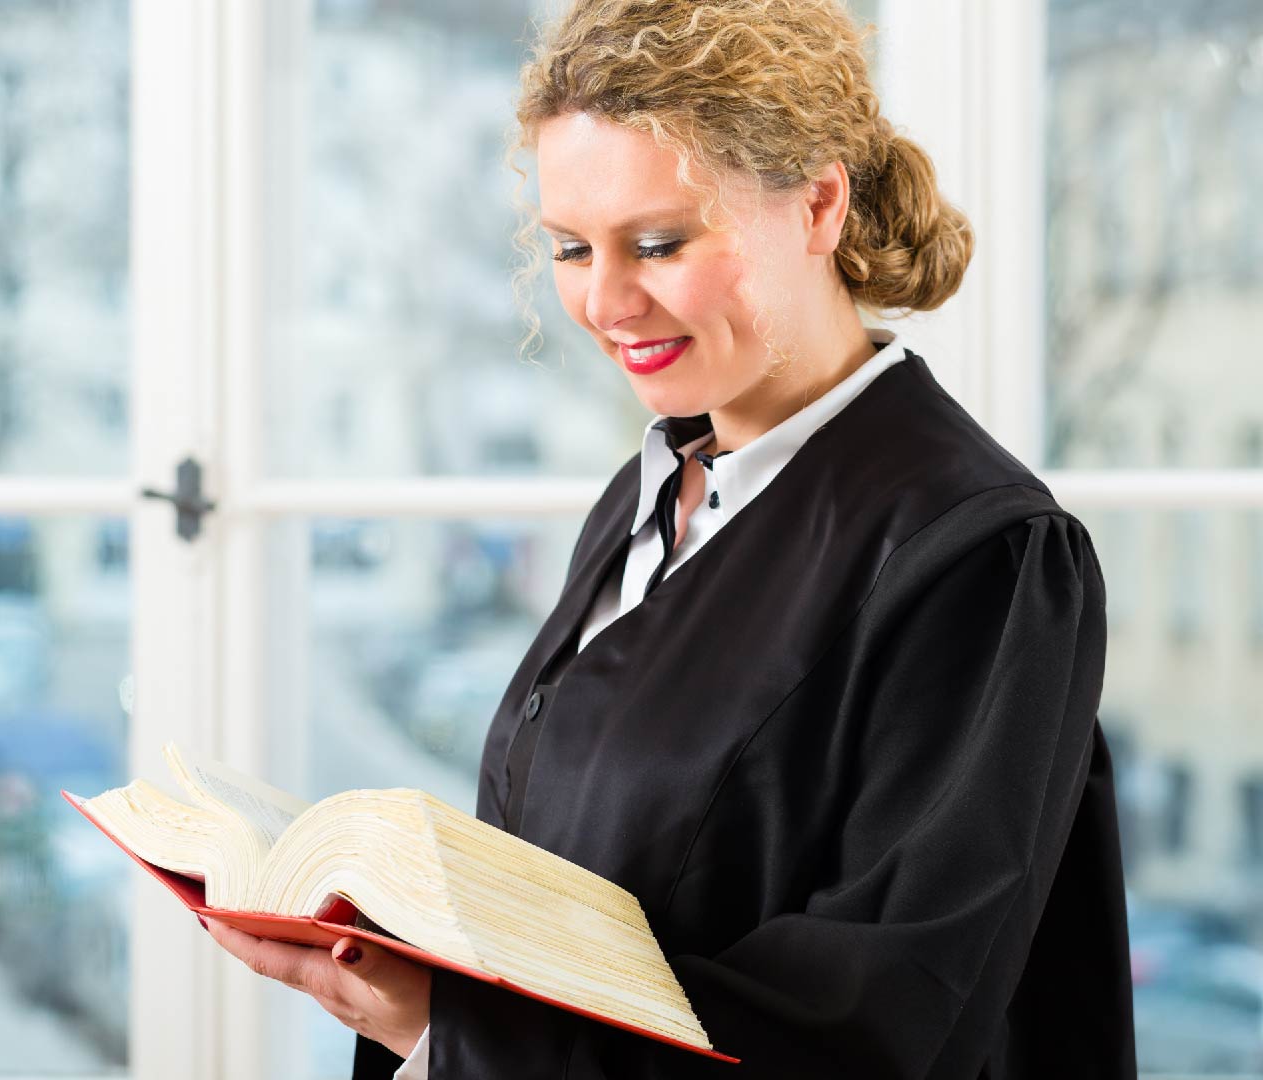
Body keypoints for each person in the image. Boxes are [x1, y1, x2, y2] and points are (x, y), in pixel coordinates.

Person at [202, 1, 1137, 1076]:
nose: (605, 302)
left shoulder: (980, 557)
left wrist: (445, 1033)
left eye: (658, 243)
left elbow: (882, 1024)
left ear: (820, 202)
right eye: (568, 248)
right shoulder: (649, 495)